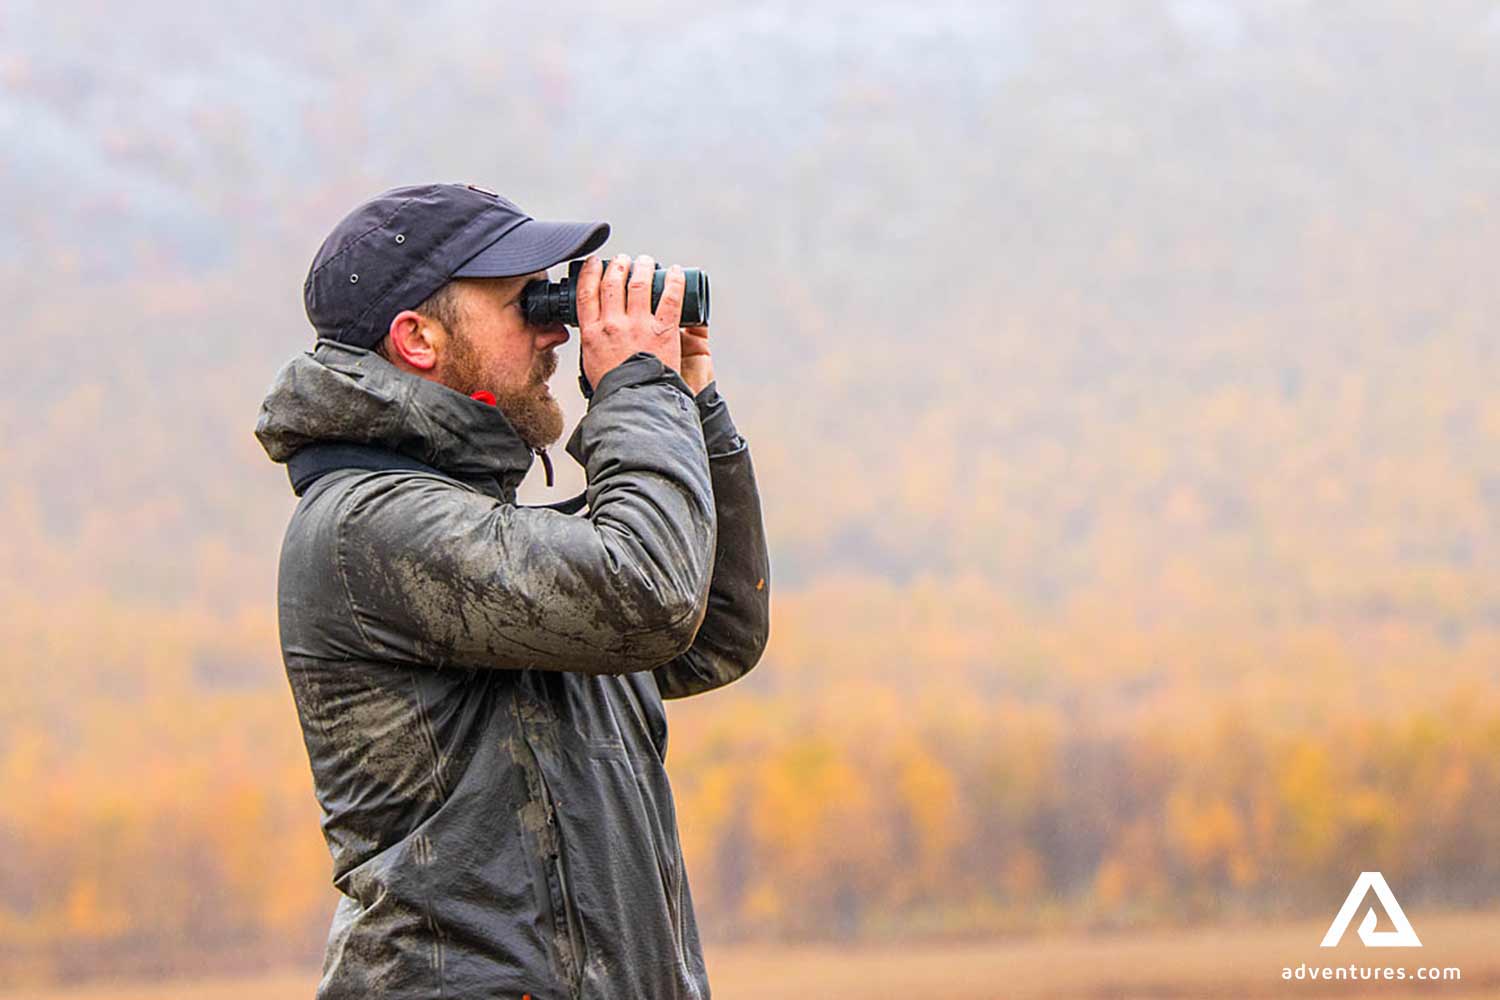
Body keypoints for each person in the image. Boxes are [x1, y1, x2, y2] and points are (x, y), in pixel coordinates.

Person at [254, 183, 770, 1000]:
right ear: (418, 338)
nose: (558, 327)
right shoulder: (370, 527)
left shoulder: (474, 533)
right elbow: (648, 594)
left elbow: (714, 627)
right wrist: (637, 383)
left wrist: (691, 403)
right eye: (523, 303)